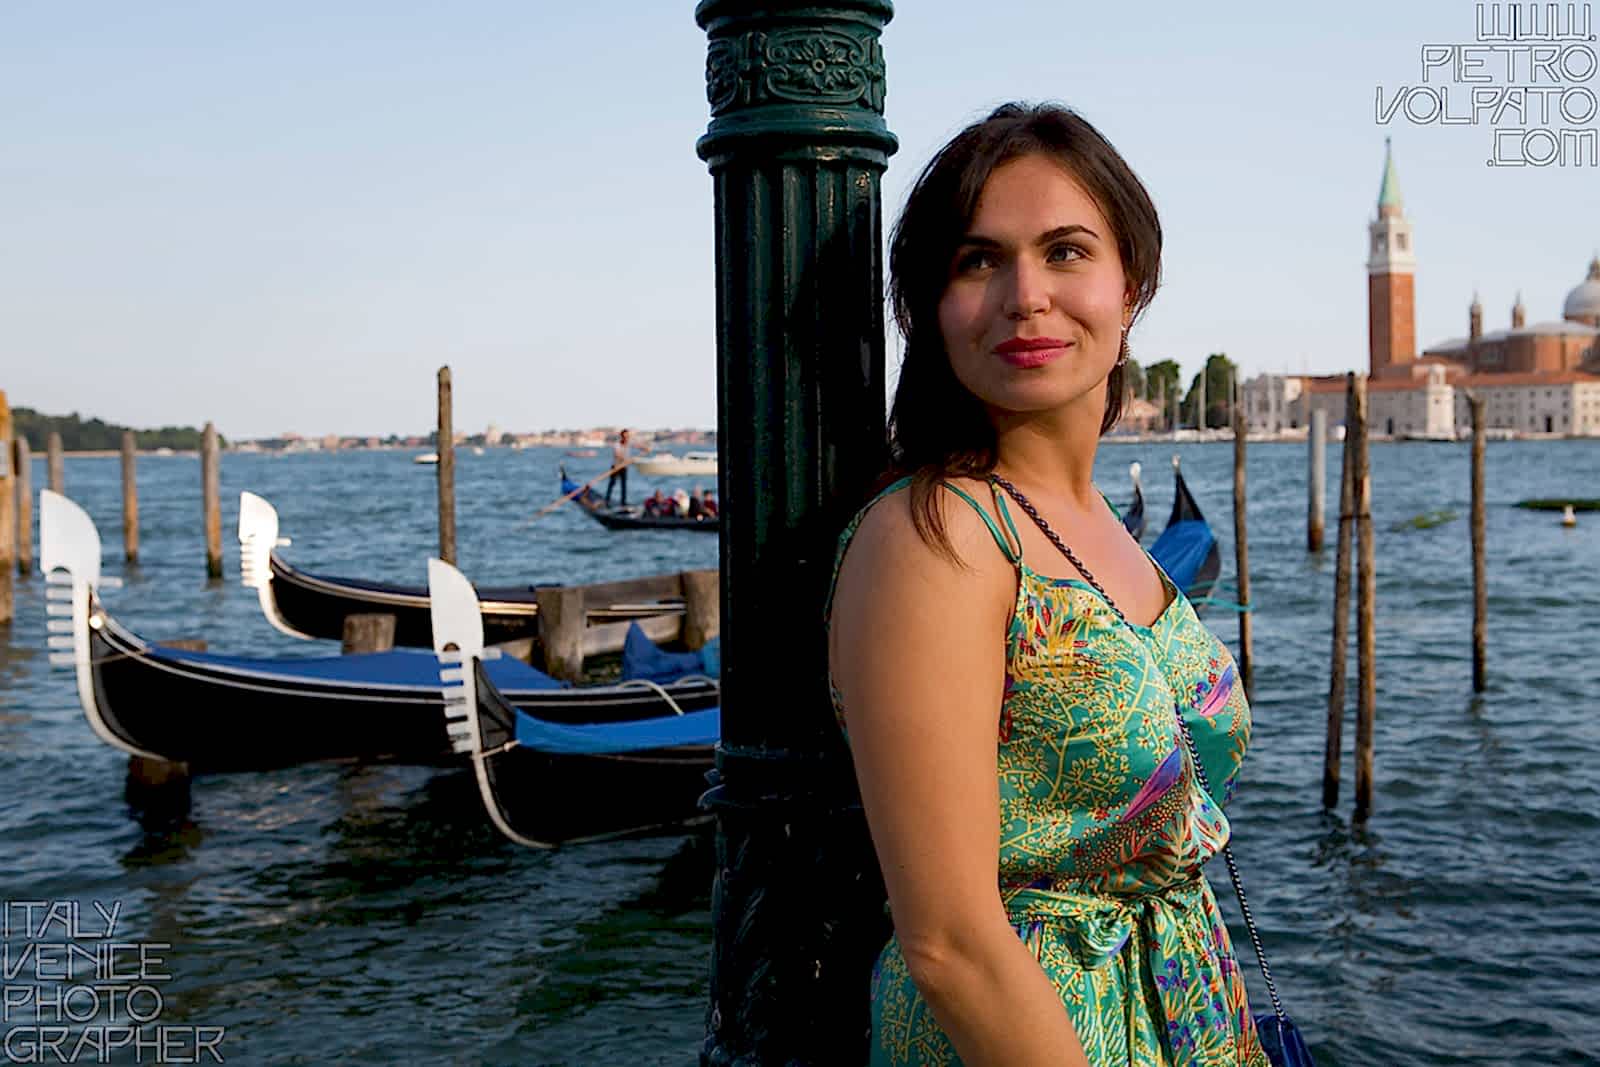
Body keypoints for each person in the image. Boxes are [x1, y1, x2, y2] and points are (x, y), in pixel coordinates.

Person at [826, 103, 1267, 1066]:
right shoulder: (935, 537)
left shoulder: (1100, 527)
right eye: (977, 261)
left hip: (1182, 1011)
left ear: (1131, 287)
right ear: (928, 307)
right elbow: (947, 942)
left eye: (1066, 251)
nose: (1025, 295)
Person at [605, 429, 633, 507]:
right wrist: (626, 459)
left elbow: (638, 445)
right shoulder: (617, 444)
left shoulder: (629, 443)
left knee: (624, 485)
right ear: (622, 436)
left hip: (624, 467)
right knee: (612, 483)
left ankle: (623, 502)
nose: (626, 438)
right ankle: (607, 500)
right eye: (625, 436)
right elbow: (617, 455)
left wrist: (645, 448)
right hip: (616, 466)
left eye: (627, 436)